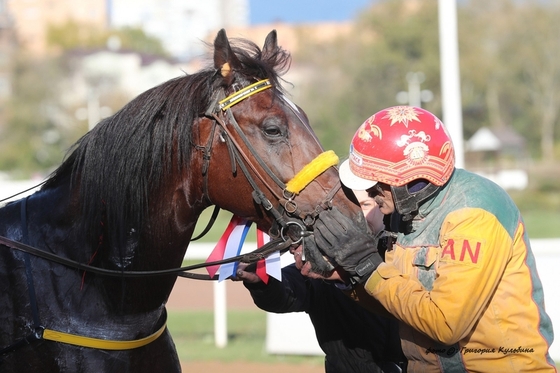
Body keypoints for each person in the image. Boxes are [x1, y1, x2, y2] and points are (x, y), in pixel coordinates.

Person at [303, 106, 557, 372]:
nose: (369, 191)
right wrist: (345, 278)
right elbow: (402, 305)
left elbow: (446, 324)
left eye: (375, 182)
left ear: (410, 180)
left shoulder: (474, 212)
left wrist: (368, 267)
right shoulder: (403, 214)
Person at [234, 190, 407, 373]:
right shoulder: (322, 263)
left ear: (383, 207)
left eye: (365, 205)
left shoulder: (407, 254)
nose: (356, 214)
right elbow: (285, 294)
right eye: (347, 206)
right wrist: (261, 282)